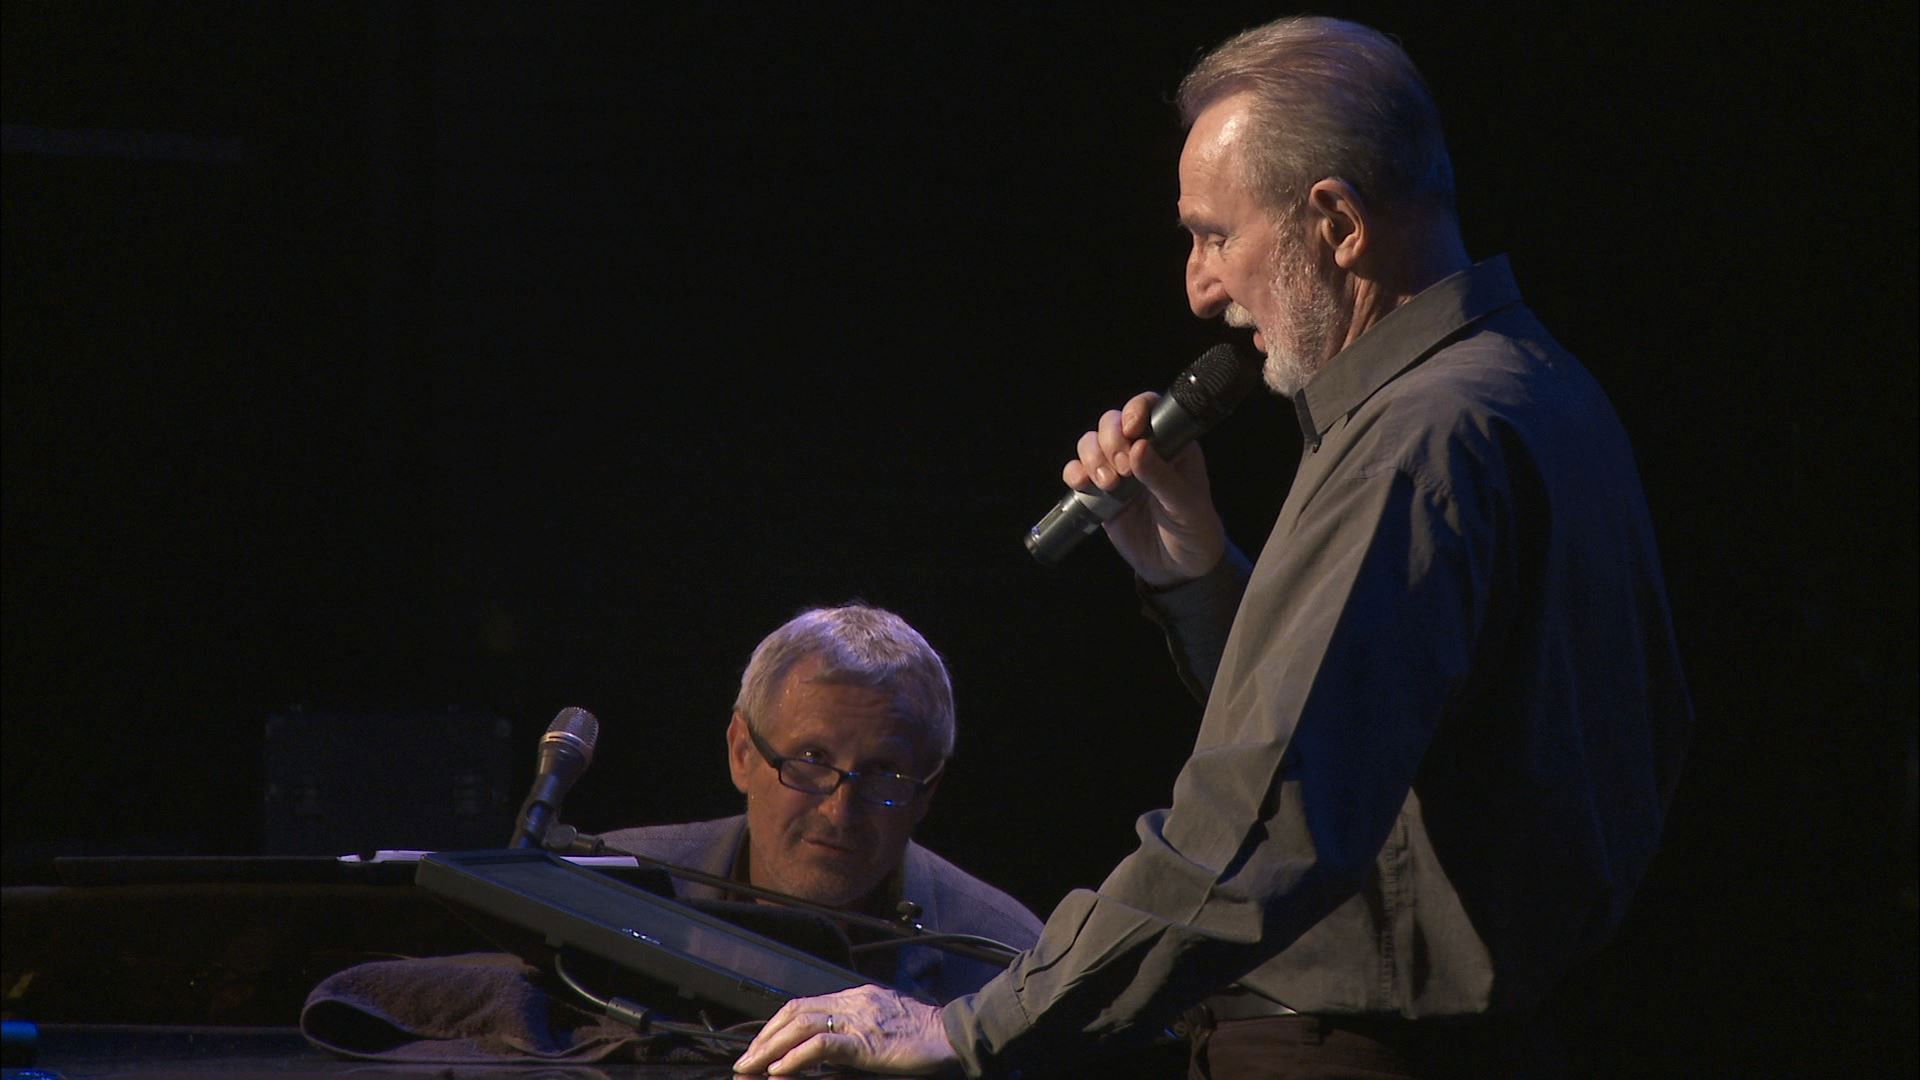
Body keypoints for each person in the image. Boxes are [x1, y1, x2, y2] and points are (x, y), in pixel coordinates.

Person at [735, 15, 1692, 1079]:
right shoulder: (1535, 387)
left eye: (1215, 236)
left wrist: (965, 1029)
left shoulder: (1415, 443)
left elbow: (1264, 824)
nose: (1198, 287)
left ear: (1336, 222)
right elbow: (1374, 740)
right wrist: (1192, 570)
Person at [600, 603, 1044, 1005]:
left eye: (882, 773)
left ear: (927, 791)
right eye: (812, 759)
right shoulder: (603, 893)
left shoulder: (1010, 968)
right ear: (741, 753)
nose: (839, 811)